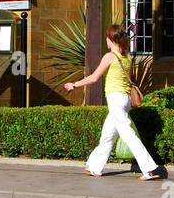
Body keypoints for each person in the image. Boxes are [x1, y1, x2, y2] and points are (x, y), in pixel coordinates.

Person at [64, 24, 163, 180]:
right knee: (108, 135)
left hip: (116, 99)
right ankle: (94, 167)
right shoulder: (126, 56)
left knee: (128, 134)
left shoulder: (110, 57)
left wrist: (74, 85)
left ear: (111, 39)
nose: (106, 41)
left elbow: (94, 77)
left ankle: (149, 169)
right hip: (124, 100)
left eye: (107, 38)